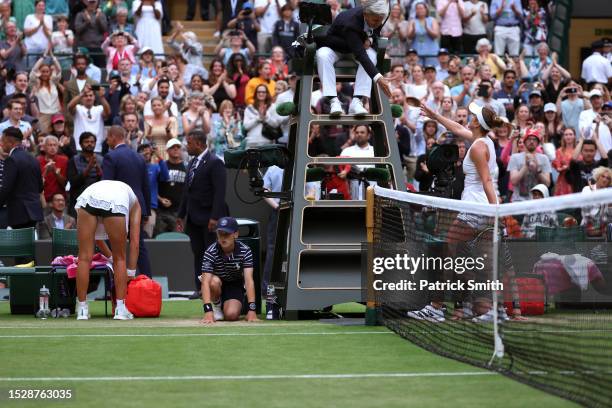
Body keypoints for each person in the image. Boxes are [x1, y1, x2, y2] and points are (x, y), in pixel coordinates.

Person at [410, 102, 521, 322]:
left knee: (448, 254)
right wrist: (434, 114)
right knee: (485, 262)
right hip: (485, 209)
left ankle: (436, 307)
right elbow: (457, 129)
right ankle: (492, 310)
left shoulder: (479, 147)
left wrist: (496, 211)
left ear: (478, 123)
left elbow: (487, 181)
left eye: (472, 116)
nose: (469, 118)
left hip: (476, 209)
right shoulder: (484, 141)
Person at [74, 180, 141, 320]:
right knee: (120, 258)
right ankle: (120, 309)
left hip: (88, 199)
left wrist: (109, 257)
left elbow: (96, 237)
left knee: (84, 257)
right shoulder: (135, 205)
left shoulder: (117, 190)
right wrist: (131, 272)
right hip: (114, 202)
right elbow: (134, 241)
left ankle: (82, 310)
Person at [315, 1, 393, 117]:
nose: (378, 23)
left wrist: (370, 40)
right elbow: (360, 54)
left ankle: (357, 102)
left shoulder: (381, 14)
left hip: (356, 47)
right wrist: (379, 78)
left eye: (380, 20)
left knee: (372, 55)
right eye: (375, 20)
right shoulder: (351, 22)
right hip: (335, 47)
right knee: (322, 55)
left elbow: (375, 33)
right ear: (366, 14)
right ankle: (333, 101)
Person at [177, 130, 228, 300]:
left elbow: (220, 193)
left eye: (189, 143)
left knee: (212, 253)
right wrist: (181, 214)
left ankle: (213, 287)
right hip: (193, 218)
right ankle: (199, 288)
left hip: (209, 219)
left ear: (199, 144)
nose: (186, 146)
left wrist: (215, 217)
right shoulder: (192, 163)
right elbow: (187, 192)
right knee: (198, 253)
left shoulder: (215, 162)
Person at [102, 126, 152, 278]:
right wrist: (146, 211)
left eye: (108, 138)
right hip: (138, 207)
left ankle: (115, 285)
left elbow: (107, 185)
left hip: (118, 208)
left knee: (115, 246)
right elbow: (145, 186)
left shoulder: (111, 157)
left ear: (113, 137)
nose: (107, 141)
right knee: (139, 246)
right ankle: (147, 282)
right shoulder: (139, 157)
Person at [200, 216, 258, 324]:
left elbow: (249, 280)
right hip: (217, 284)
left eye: (226, 234)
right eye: (220, 233)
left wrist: (252, 309)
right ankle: (216, 306)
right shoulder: (210, 252)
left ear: (236, 234)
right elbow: (205, 282)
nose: (223, 237)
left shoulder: (245, 251)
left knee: (231, 315)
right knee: (213, 281)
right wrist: (207, 311)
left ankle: (236, 303)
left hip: (234, 285)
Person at [0, 127, 43, 229]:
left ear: (11, 142)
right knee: (29, 244)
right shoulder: (33, 159)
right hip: (34, 212)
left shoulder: (11, 160)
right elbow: (40, 187)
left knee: (19, 244)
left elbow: (6, 188)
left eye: (3, 140)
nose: (1, 143)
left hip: (19, 213)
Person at [507, 129, 551, 202]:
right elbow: (513, 181)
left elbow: (547, 183)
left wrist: (537, 170)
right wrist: (526, 166)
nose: (531, 141)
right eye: (529, 139)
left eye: (534, 139)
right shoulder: (515, 157)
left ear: (538, 143)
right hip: (519, 201)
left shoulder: (544, 158)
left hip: (537, 201)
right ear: (524, 141)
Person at [66, 131, 102, 217]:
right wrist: (89, 167)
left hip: (96, 202)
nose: (89, 144)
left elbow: (104, 180)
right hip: (78, 201)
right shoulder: (73, 160)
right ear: (81, 144)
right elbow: (73, 182)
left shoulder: (101, 160)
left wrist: (97, 167)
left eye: (92, 142)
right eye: (86, 142)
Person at [155, 139, 186, 235]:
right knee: (160, 240)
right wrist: (160, 199)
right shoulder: (160, 167)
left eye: (178, 147)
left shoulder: (187, 168)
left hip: (179, 213)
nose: (176, 149)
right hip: (162, 212)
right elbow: (151, 188)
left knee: (178, 242)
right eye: (173, 147)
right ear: (167, 150)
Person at [67, 84, 110, 154]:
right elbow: (69, 107)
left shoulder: (100, 108)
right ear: (81, 98)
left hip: (97, 148)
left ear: (94, 97)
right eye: (86, 96)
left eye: (91, 95)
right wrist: (82, 93)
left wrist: (102, 97)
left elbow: (108, 112)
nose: (88, 98)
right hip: (79, 148)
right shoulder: (78, 108)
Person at [138, 143, 169, 238]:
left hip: (150, 207)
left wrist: (159, 156)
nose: (146, 152)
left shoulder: (155, 167)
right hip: (135, 207)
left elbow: (165, 177)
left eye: (148, 150)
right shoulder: (135, 167)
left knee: (147, 236)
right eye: (142, 150)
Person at [74, 0, 109, 68]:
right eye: (90, 2)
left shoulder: (101, 14)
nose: (92, 4)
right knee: (83, 68)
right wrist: (87, 22)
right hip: (84, 47)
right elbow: (77, 30)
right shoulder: (80, 14)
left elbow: (105, 29)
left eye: (94, 2)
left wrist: (98, 19)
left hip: (98, 46)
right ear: (87, 2)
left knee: (100, 69)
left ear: (97, 3)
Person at [406, 3, 440, 67]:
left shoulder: (432, 20)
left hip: (431, 51)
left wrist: (427, 29)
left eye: (421, 8)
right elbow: (409, 37)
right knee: (417, 70)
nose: (419, 10)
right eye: (417, 9)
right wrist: (413, 30)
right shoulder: (412, 21)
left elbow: (435, 35)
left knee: (430, 70)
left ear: (426, 10)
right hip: (416, 51)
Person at [38, 135, 68, 203]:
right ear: (44, 147)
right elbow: (37, 185)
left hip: (60, 200)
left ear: (58, 147)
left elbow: (64, 184)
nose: (53, 148)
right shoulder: (38, 161)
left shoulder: (64, 160)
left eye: (55, 145)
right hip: (44, 200)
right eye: (50, 145)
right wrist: (46, 172)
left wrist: (55, 171)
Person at [23, 0, 53, 69]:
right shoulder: (29, 17)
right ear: (35, 7)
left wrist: (43, 24)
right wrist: (39, 26)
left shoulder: (48, 18)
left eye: (43, 6)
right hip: (31, 48)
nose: (41, 7)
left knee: (44, 70)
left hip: (44, 49)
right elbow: (26, 33)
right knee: (30, 70)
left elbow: (49, 34)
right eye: (39, 5)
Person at [552, 127, 578, 196]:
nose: (568, 137)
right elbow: (558, 168)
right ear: (563, 137)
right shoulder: (559, 151)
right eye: (566, 135)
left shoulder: (579, 150)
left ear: (574, 136)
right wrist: (566, 167)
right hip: (563, 181)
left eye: (570, 134)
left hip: (577, 180)